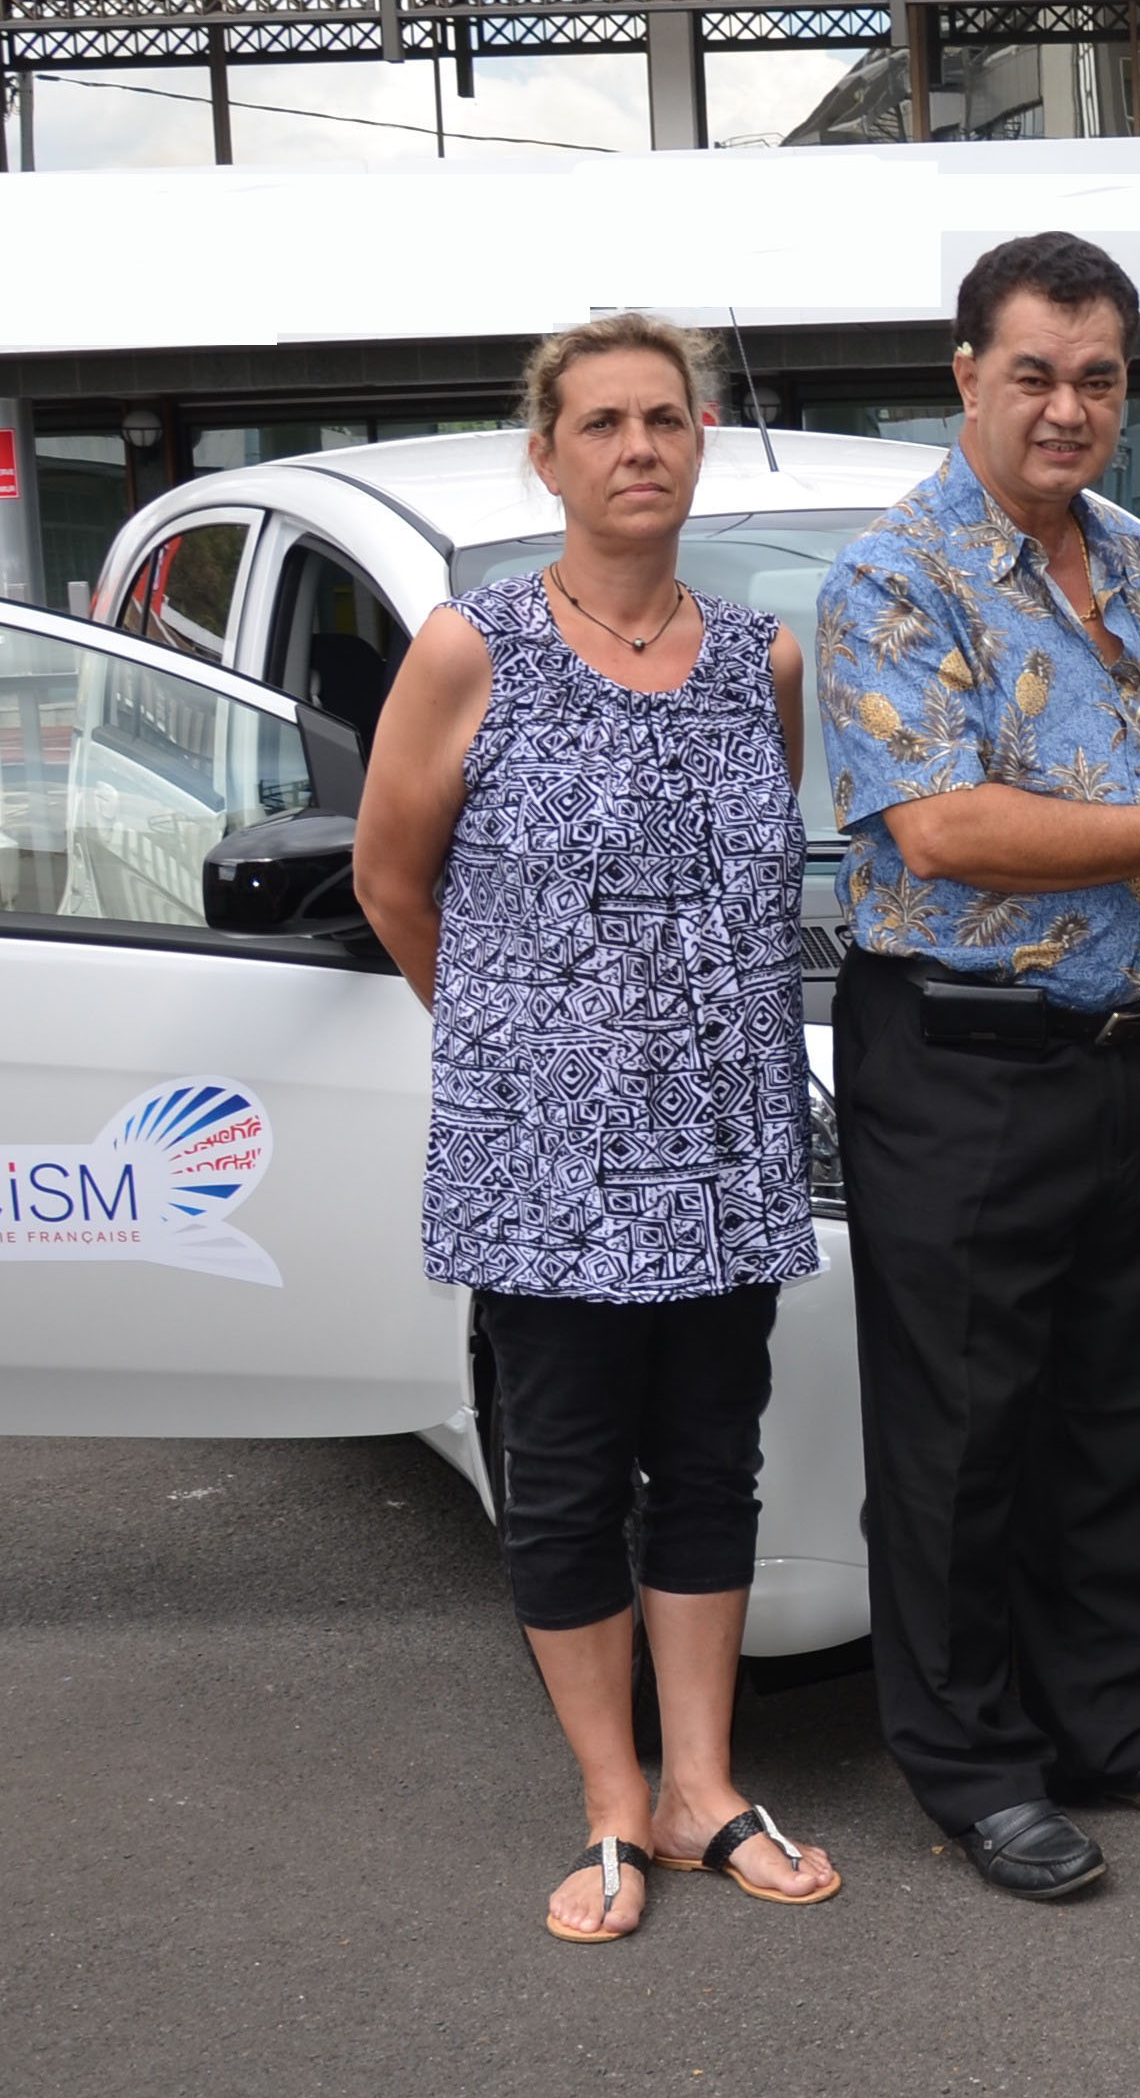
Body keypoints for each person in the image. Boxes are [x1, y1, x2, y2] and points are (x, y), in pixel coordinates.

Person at [816, 231, 1140, 1904]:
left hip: (1138, 1061)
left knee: (1128, 1420)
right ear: (965, 376)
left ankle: (1112, 1724)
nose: (1068, 407)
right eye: (1033, 373)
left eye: (1098, 377)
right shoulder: (890, 582)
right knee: (963, 1441)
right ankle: (972, 1770)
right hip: (965, 1066)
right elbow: (947, 830)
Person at [347, 313, 841, 1944]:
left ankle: (705, 1788)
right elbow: (390, 879)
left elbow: (747, 885)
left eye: (666, 419)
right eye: (603, 421)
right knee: (562, 1485)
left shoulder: (763, 660)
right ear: (546, 454)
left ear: (700, 444)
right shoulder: (468, 648)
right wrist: (515, 1036)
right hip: (542, 1164)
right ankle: (611, 1804)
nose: (639, 446)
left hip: (726, 1147)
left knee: (711, 1466)